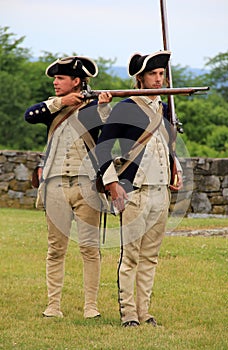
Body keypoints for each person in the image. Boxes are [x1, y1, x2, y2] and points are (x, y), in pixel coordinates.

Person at [95, 50, 183, 327]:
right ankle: (129, 313)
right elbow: (102, 149)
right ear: (140, 78)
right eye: (153, 75)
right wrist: (111, 183)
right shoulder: (126, 107)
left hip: (160, 191)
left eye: (161, 74)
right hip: (135, 191)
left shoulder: (165, 107)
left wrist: (175, 167)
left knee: (150, 256)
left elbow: (166, 146)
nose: (159, 79)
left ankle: (145, 312)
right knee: (131, 255)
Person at [25, 56, 112, 319]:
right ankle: (53, 306)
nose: (55, 82)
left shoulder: (95, 106)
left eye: (60, 78)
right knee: (56, 249)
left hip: (86, 186)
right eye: (55, 78)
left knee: (89, 248)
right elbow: (30, 115)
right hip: (55, 185)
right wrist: (62, 102)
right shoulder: (54, 107)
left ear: (76, 81)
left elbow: (108, 134)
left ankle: (91, 307)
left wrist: (104, 108)